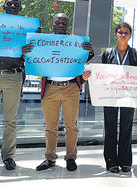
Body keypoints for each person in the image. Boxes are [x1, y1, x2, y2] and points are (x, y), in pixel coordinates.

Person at [22, 13, 94, 172]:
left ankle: (70, 157)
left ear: (67, 24)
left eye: (64, 22)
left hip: (71, 88)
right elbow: (31, 58)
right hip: (50, 88)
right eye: (58, 22)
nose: (61, 24)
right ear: (53, 23)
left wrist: (89, 50)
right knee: (50, 126)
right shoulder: (42, 42)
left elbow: (85, 58)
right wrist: (26, 51)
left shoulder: (76, 41)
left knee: (71, 126)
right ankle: (50, 158)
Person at [83, 22, 137, 173]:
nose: (123, 35)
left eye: (126, 32)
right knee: (109, 128)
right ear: (115, 35)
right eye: (120, 32)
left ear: (130, 35)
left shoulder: (136, 54)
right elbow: (100, 73)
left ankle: (125, 161)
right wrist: (88, 75)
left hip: (129, 95)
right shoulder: (108, 53)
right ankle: (111, 161)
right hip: (110, 95)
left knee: (126, 127)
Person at [0, 0, 32, 170]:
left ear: (20, 8)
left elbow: (37, 55)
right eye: (9, 4)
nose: (12, 6)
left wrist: (30, 49)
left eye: (15, 4)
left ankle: (8, 157)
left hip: (14, 76)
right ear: (4, 6)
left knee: (11, 120)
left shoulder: (28, 29)